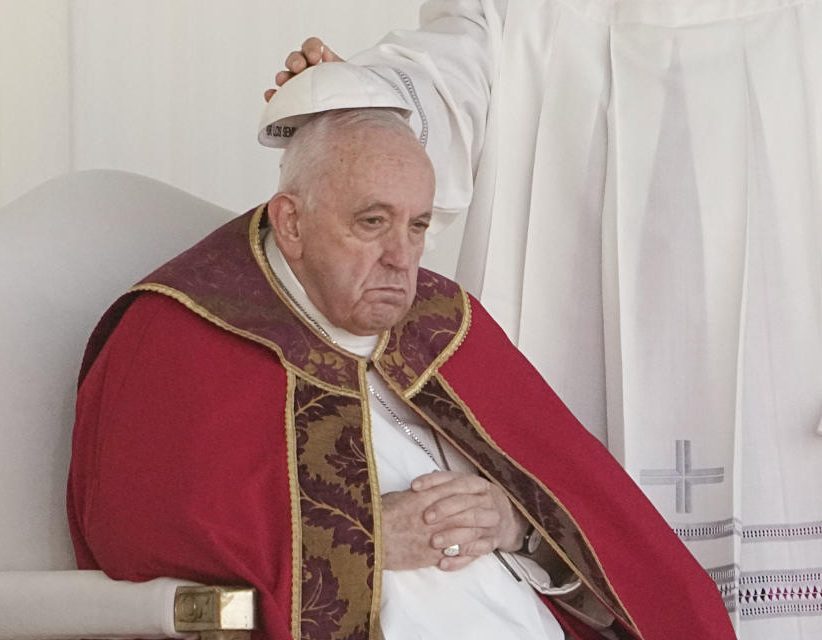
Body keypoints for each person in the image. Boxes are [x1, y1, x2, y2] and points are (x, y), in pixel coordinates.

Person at [67, 107, 735, 639]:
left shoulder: (440, 322)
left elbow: (583, 505)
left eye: (418, 226)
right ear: (291, 223)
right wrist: (364, 538)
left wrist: (515, 522)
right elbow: (144, 539)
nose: (400, 258)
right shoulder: (182, 332)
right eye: (372, 222)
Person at [266, 2, 822, 636]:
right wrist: (360, 97)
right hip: (573, 352)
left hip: (782, 367)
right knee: (577, 545)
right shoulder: (530, 12)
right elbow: (447, 72)